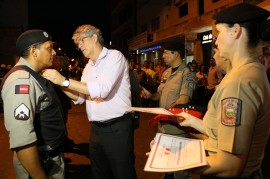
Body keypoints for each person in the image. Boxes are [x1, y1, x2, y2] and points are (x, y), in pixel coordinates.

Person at [175, 3, 270, 178]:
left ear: (236, 31)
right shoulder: (252, 70)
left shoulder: (239, 82)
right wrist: (194, 122)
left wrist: (172, 159)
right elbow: (223, 134)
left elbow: (229, 166)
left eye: (218, 33)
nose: (216, 41)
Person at [42, 24, 136, 179]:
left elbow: (103, 90)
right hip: (96, 130)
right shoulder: (88, 67)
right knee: (99, 173)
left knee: (123, 173)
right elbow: (80, 97)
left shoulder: (114, 57)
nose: (79, 46)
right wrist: (58, 82)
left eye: (81, 41)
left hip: (118, 127)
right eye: (77, 44)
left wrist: (64, 81)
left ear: (94, 38)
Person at [0, 29, 67, 178]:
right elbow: (22, 140)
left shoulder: (33, 75)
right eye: (49, 48)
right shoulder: (22, 80)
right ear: (34, 51)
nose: (54, 52)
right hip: (40, 162)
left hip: (49, 158)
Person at [142, 39, 197, 179]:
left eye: (166, 53)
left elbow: (184, 99)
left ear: (176, 54)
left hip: (177, 130)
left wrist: (167, 113)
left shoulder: (187, 74)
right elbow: (159, 94)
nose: (163, 56)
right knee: (166, 169)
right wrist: (150, 95)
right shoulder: (166, 72)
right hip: (162, 128)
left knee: (180, 172)